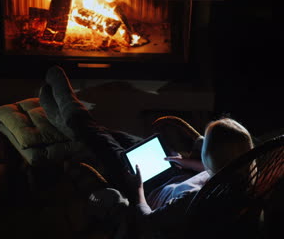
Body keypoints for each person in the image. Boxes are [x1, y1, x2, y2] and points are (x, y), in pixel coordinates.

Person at [39, 65, 254, 238]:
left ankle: (65, 100)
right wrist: (189, 164)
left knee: (98, 137)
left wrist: (138, 190)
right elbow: (214, 170)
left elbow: (148, 223)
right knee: (110, 135)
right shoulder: (239, 173)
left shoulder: (190, 202)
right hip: (173, 170)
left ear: (213, 158)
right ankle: (65, 119)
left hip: (148, 186)